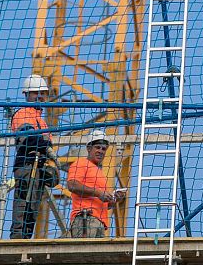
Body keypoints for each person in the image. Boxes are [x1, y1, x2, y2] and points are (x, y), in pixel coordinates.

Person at [10, 74, 60, 239]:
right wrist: (47, 148)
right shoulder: (23, 113)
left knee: (32, 207)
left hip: (38, 167)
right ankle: (17, 238)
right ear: (26, 94)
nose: (39, 96)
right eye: (34, 93)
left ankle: (25, 238)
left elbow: (44, 142)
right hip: (27, 163)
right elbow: (29, 138)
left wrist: (51, 162)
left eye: (42, 93)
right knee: (23, 202)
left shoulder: (42, 122)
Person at [66, 129, 126, 238]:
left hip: (99, 223)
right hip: (85, 218)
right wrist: (99, 193)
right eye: (97, 147)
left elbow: (103, 204)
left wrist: (114, 199)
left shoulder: (100, 173)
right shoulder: (81, 163)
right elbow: (72, 185)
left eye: (103, 149)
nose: (101, 151)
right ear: (89, 148)